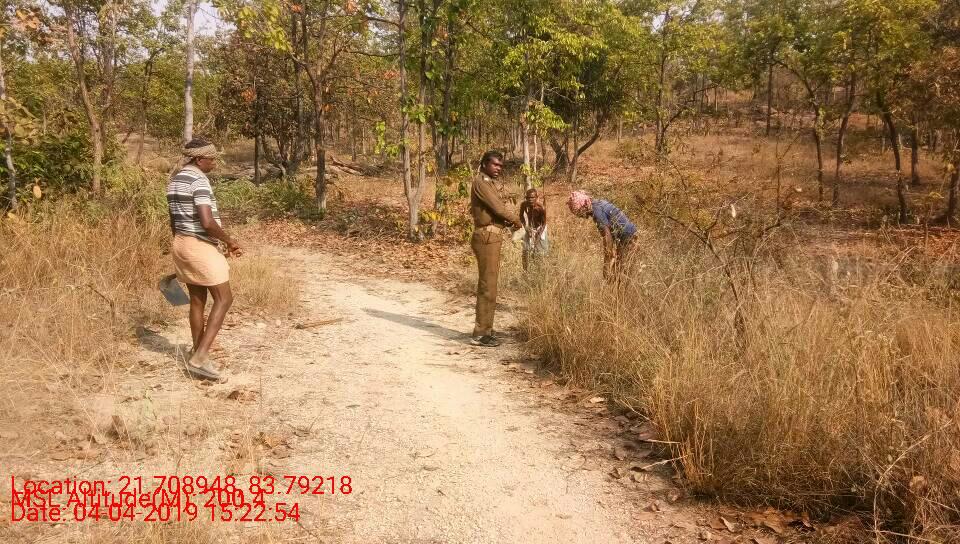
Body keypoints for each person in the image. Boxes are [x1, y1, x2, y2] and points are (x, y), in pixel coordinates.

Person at [166, 138, 243, 382]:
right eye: (211, 159)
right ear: (199, 159)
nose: (214, 163)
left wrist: (185, 248)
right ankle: (200, 358)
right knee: (224, 298)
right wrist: (229, 241)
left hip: (181, 242)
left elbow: (173, 220)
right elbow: (207, 222)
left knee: (197, 301)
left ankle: (197, 352)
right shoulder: (199, 180)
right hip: (199, 246)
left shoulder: (175, 180)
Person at [469, 150, 522, 347]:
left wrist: (508, 222)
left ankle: (487, 329)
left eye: (500, 165)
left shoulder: (489, 183)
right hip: (486, 237)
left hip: (492, 236)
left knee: (491, 285)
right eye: (495, 164)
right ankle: (480, 333)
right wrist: (517, 221)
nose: (499, 168)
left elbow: (496, 211)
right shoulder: (480, 182)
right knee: (487, 285)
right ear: (484, 164)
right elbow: (498, 208)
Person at [567, 190, 638, 279]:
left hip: (628, 239)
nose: (579, 216)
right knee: (618, 272)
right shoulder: (598, 204)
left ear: (583, 207)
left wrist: (606, 264)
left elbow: (607, 237)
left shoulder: (597, 211)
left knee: (622, 274)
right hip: (625, 238)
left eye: (578, 212)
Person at [519, 188, 548, 271]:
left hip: (540, 228)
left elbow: (543, 224)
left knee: (541, 252)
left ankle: (540, 270)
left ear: (536, 197)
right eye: (528, 198)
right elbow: (521, 217)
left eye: (532, 197)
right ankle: (526, 270)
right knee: (526, 250)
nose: (530, 200)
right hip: (530, 228)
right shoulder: (524, 205)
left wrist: (537, 238)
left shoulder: (541, 208)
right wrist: (526, 227)